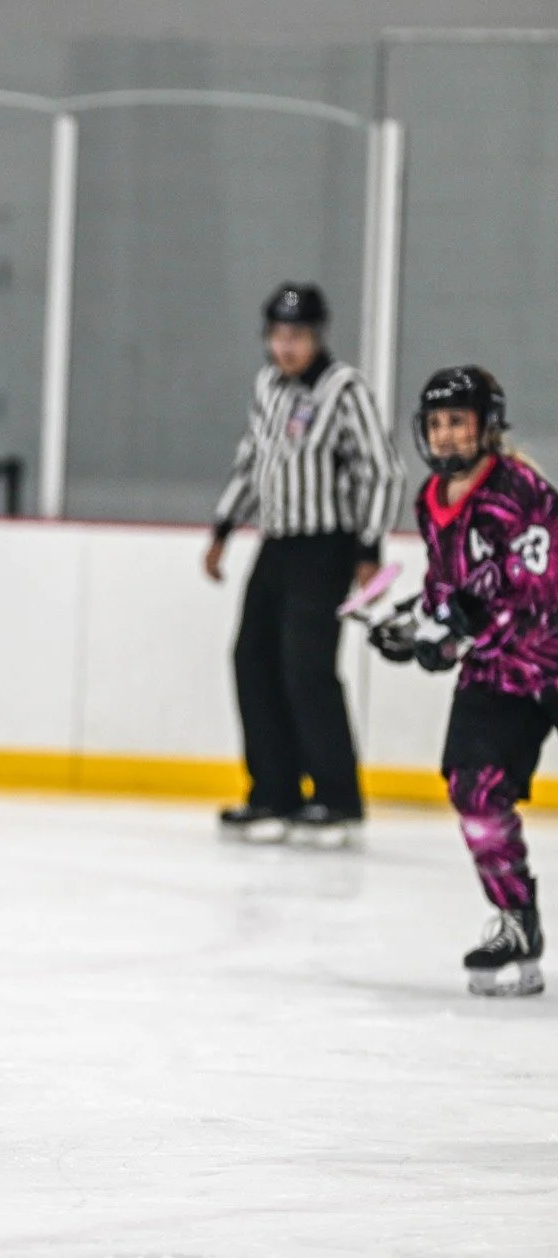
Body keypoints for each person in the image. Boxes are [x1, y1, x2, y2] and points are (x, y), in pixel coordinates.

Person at [367, 366, 554, 997]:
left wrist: (451, 633)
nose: (446, 437)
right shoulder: (431, 500)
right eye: (437, 425)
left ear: (488, 427)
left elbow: (535, 597)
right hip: (498, 672)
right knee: (473, 791)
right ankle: (516, 921)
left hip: (547, 657)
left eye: (459, 423)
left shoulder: (519, 491)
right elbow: (450, 587)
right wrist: (412, 624)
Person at [205, 282, 403, 847]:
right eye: (278, 335)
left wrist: (369, 549)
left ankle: (337, 797)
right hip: (277, 542)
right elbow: (252, 462)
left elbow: (382, 471)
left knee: (306, 667)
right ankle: (274, 791)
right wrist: (223, 528)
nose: (286, 347)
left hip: (327, 545)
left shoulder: (345, 390)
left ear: (318, 337)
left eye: (297, 336)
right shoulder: (267, 385)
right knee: (251, 658)